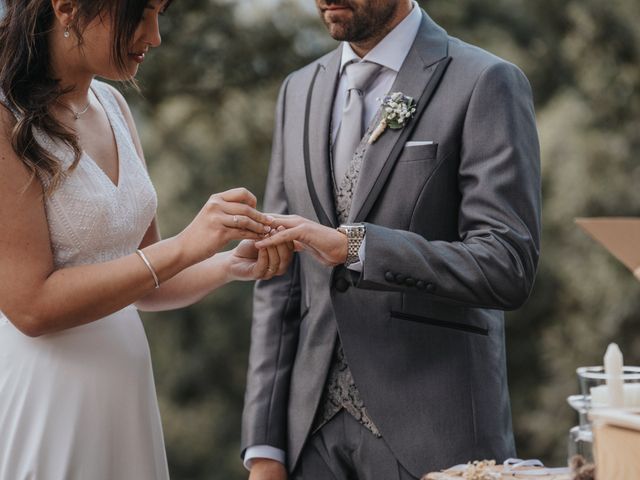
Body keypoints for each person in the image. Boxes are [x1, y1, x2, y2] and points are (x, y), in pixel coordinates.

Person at [241, 0, 541, 479]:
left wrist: (358, 247)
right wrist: (264, 448)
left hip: (437, 436)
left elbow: (508, 264)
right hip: (307, 441)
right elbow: (279, 280)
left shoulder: (485, 80)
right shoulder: (298, 90)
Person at [0, 0, 292, 479]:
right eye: (138, 14)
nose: (154, 36)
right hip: (47, 399)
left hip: (125, 395)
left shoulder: (113, 106)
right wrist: (186, 244)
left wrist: (229, 263)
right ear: (68, 7)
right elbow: (30, 306)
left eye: (159, 13)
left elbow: (143, 279)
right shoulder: (6, 121)